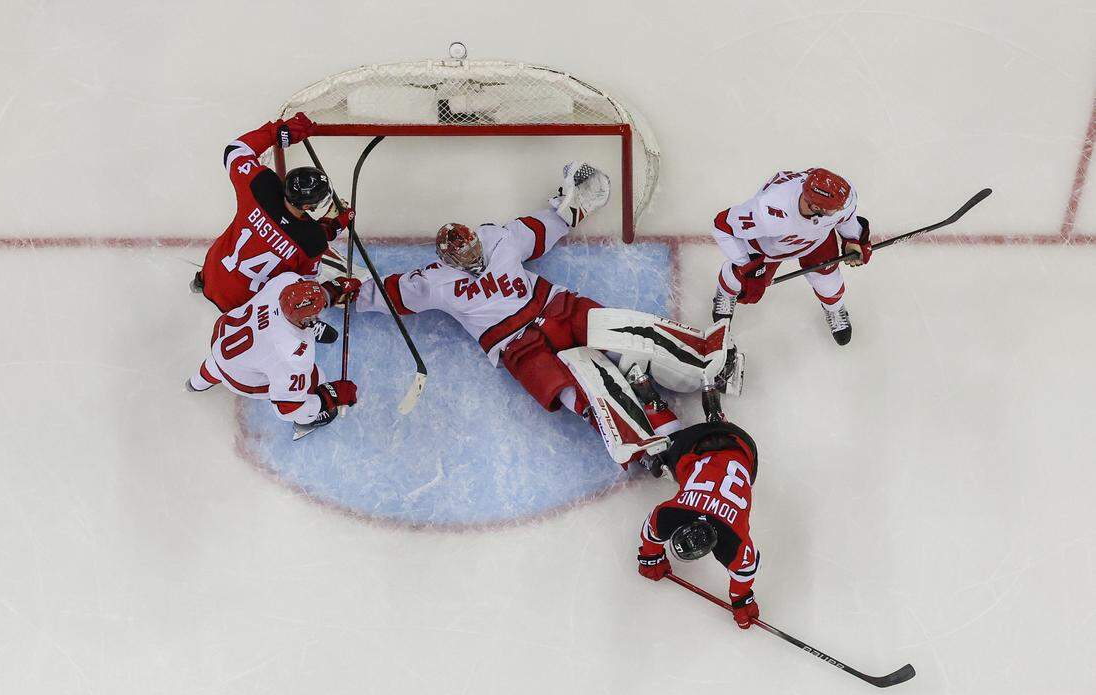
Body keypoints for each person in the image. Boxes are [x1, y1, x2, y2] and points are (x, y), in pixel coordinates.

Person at [355, 162, 742, 468]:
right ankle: (641, 439)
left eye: (474, 249)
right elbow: (389, 293)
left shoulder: (498, 239)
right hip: (519, 346)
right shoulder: (433, 282)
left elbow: (542, 228)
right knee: (573, 389)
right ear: (446, 259)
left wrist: (571, 207)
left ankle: (705, 360)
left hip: (556, 308)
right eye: (464, 257)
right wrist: (348, 292)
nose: (474, 258)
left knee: (627, 329)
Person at [191, 112, 354, 342]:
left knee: (226, 263)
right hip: (242, 310)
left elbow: (234, 151)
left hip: (214, 273)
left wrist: (276, 133)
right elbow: (302, 287)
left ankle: (199, 283)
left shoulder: (261, 184)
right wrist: (330, 229)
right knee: (286, 302)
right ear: (308, 205)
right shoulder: (313, 241)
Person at [709, 168, 872, 345]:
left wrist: (852, 239)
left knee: (829, 285)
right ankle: (725, 294)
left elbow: (846, 217)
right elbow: (722, 226)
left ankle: (834, 309)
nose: (839, 210)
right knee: (742, 283)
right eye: (832, 210)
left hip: (816, 240)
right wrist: (748, 266)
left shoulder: (843, 196)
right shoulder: (769, 212)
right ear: (815, 207)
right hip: (768, 249)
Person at [186, 271, 360, 436]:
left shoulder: (284, 282)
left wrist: (328, 291)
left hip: (223, 341)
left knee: (217, 365)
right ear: (305, 319)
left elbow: (300, 291)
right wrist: (329, 397)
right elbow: (287, 409)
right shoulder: (294, 355)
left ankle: (195, 384)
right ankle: (306, 422)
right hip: (245, 379)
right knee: (315, 377)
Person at [636, 419, 762, 630]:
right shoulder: (678, 515)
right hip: (714, 444)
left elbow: (746, 569)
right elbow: (652, 526)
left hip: (743, 447)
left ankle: (655, 406)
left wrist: (651, 556)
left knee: (670, 459)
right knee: (666, 458)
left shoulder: (730, 539)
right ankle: (655, 409)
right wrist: (741, 601)